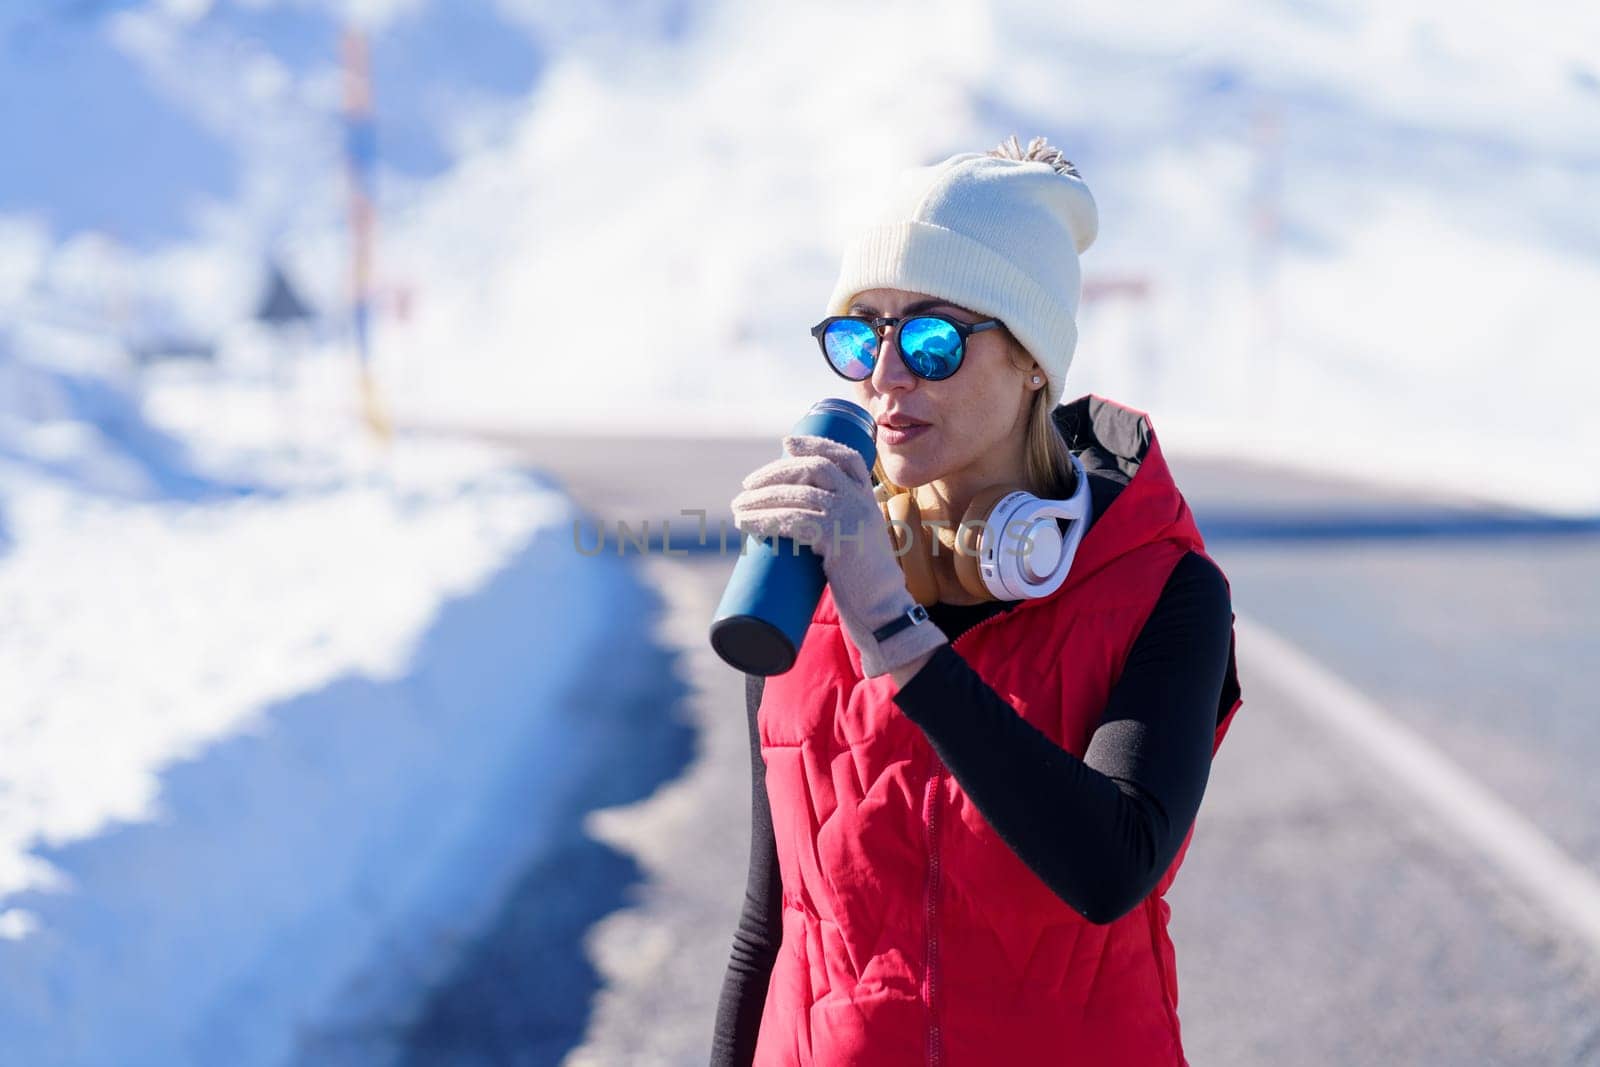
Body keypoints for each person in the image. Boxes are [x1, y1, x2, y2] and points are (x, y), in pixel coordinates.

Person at [711, 135, 1244, 1066]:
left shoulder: (1163, 587)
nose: (885, 376)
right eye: (858, 334)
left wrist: (894, 628)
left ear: (1033, 358)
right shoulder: (806, 580)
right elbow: (772, 922)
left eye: (930, 336)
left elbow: (1111, 866)